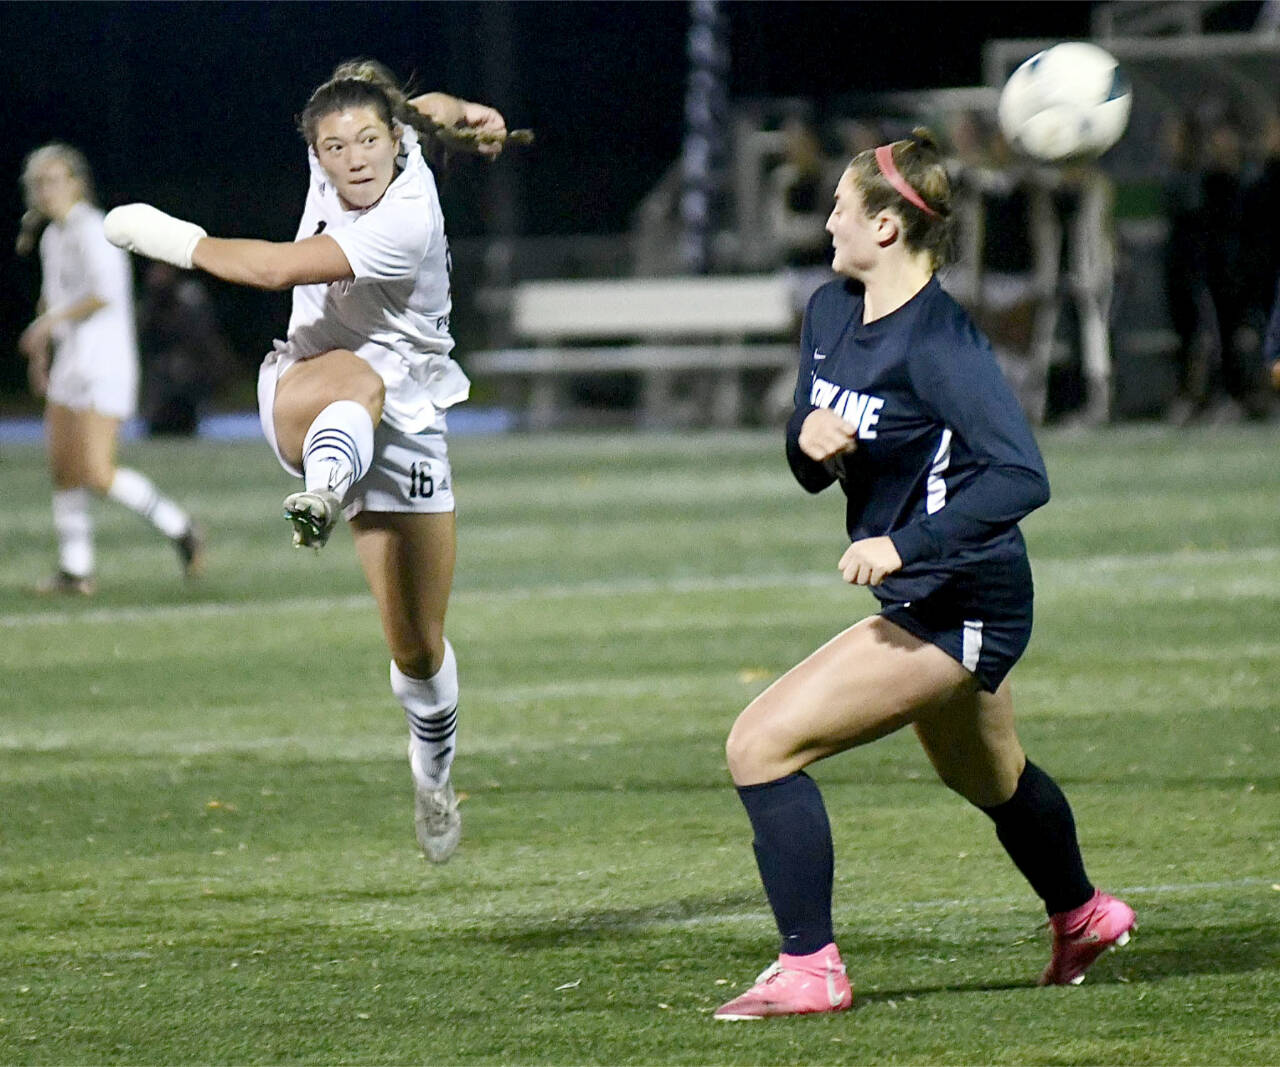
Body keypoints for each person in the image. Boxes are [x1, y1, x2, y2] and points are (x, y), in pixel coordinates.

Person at [714, 129, 1135, 1021]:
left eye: (840, 206)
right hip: (925, 590)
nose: (826, 219)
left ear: (888, 228)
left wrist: (903, 546)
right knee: (989, 778)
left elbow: (1024, 474)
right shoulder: (833, 310)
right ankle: (1085, 914)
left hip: (961, 596)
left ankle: (810, 966)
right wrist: (806, 443)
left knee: (759, 744)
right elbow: (808, 445)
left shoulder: (941, 342)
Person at [103, 61, 511, 864]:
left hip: (412, 421)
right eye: (335, 146)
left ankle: (433, 774)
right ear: (316, 155)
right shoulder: (383, 142)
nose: (354, 158)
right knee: (352, 381)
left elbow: (273, 269)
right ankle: (322, 493)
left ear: (396, 145)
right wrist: (468, 108)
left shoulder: (407, 217)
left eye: (369, 140)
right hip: (305, 385)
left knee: (418, 648)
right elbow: (427, 106)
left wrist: (162, 234)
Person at [16, 143, 204, 596]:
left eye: (57, 180)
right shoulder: (53, 236)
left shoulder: (94, 228)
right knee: (63, 468)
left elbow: (101, 293)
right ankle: (76, 570)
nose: (48, 190)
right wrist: (43, 354)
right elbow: (52, 298)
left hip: (104, 363)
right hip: (71, 365)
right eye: (41, 183)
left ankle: (181, 527)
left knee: (97, 471)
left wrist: (46, 328)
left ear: (77, 184)